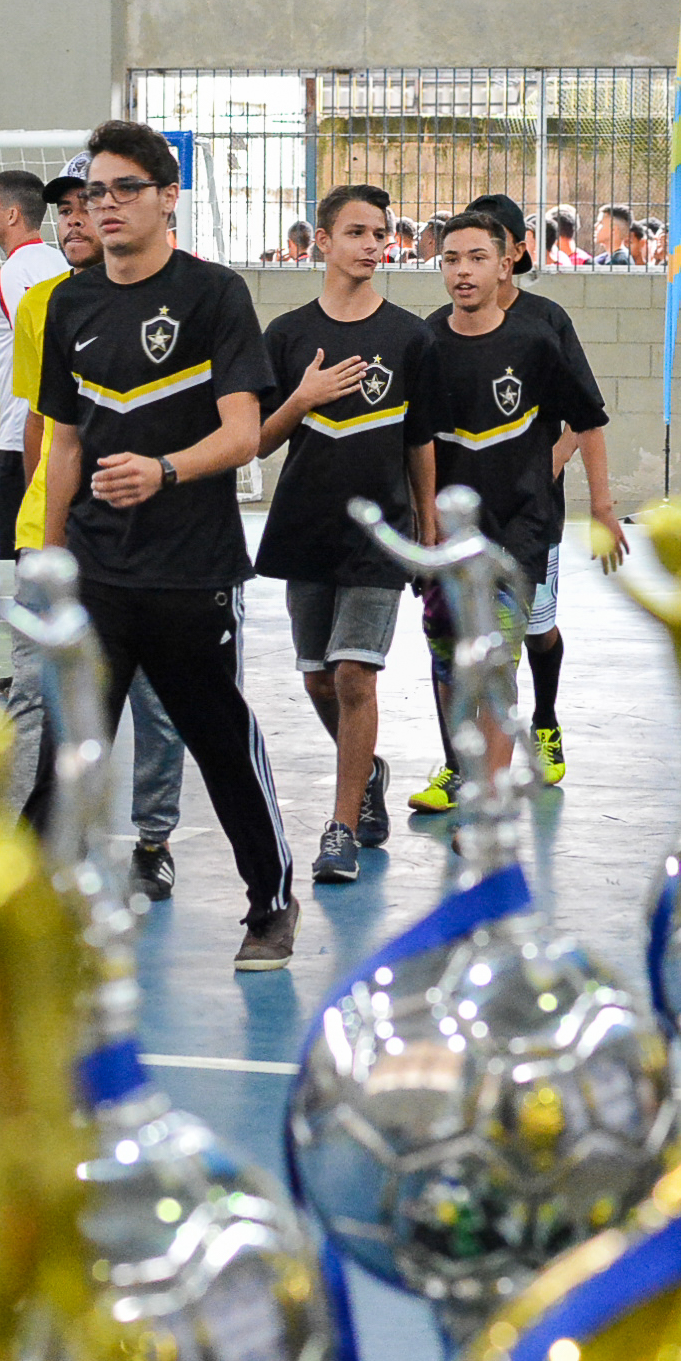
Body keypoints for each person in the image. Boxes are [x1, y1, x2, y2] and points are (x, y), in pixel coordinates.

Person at [24, 119, 297, 971]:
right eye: (90, 194)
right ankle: (27, 918)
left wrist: (165, 472)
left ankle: (272, 904)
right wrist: (50, 555)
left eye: (121, 190)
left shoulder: (215, 295)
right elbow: (65, 445)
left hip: (191, 571)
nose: (103, 207)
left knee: (222, 746)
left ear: (166, 197)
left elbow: (245, 434)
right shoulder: (69, 304)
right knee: (67, 751)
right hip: (99, 571)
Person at [3, 156, 187, 895]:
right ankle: (25, 844)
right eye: (68, 208)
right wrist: (39, 527)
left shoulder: (184, 294)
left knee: (155, 703)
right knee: (29, 689)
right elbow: (40, 427)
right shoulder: (44, 303)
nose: (77, 218)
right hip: (51, 533)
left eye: (90, 203)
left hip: (148, 539)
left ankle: (152, 837)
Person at [255, 181, 433, 884]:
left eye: (379, 232)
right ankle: (370, 774)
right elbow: (256, 442)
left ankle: (341, 826)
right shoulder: (289, 335)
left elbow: (421, 442)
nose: (371, 244)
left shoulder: (410, 336)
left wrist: (426, 526)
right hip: (307, 528)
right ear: (322, 241)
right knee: (320, 681)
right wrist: (303, 398)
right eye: (355, 232)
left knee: (356, 673)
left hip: (381, 533)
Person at [411, 211, 607, 797]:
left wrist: (601, 507)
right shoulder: (426, 343)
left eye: (477, 258)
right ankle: (461, 765)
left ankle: (486, 806)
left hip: (520, 531)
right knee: (450, 662)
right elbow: (412, 442)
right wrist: (423, 527)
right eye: (451, 259)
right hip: (449, 539)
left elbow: (588, 419)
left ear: (506, 263)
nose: (463, 271)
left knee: (497, 663)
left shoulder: (536, 340)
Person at [0, 168, 66, 561]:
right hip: (55, 435)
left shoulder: (18, 269)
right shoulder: (57, 261)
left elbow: (46, 353)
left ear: (12, 215)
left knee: (34, 564)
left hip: (25, 437)